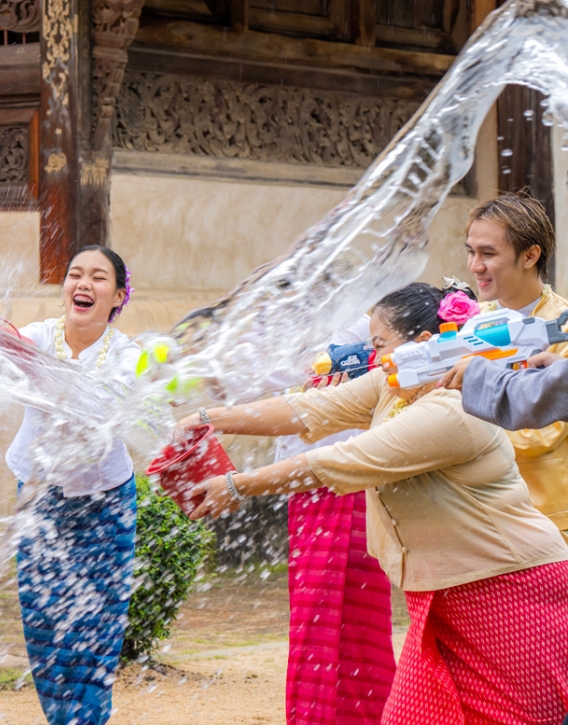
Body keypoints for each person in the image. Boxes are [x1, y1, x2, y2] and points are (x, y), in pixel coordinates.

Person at [178, 283, 568, 725]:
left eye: (379, 345)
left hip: (510, 594)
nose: (373, 356)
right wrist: (208, 419)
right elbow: (309, 408)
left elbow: (346, 458)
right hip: (441, 599)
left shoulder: (454, 409)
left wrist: (236, 485)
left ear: (424, 344)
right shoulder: (394, 381)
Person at [4, 245, 138, 725]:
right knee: (43, 628)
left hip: (106, 505)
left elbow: (96, 408)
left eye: (98, 278)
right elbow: (3, 353)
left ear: (118, 296)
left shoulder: (128, 355)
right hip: (39, 501)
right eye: (75, 274)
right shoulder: (38, 336)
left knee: (95, 632)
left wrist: (20, 354)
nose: (83, 284)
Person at [275, 318, 395, 725]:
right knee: (314, 618)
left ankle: (370, 715)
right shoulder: (283, 329)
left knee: (364, 623)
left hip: (362, 483)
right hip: (309, 489)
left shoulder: (370, 321)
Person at [460, 192, 568, 537]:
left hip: (550, 515)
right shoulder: (474, 324)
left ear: (530, 255)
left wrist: (462, 416)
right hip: (484, 517)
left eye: (488, 253)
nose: (475, 266)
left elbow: (543, 432)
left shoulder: (562, 327)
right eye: (471, 252)